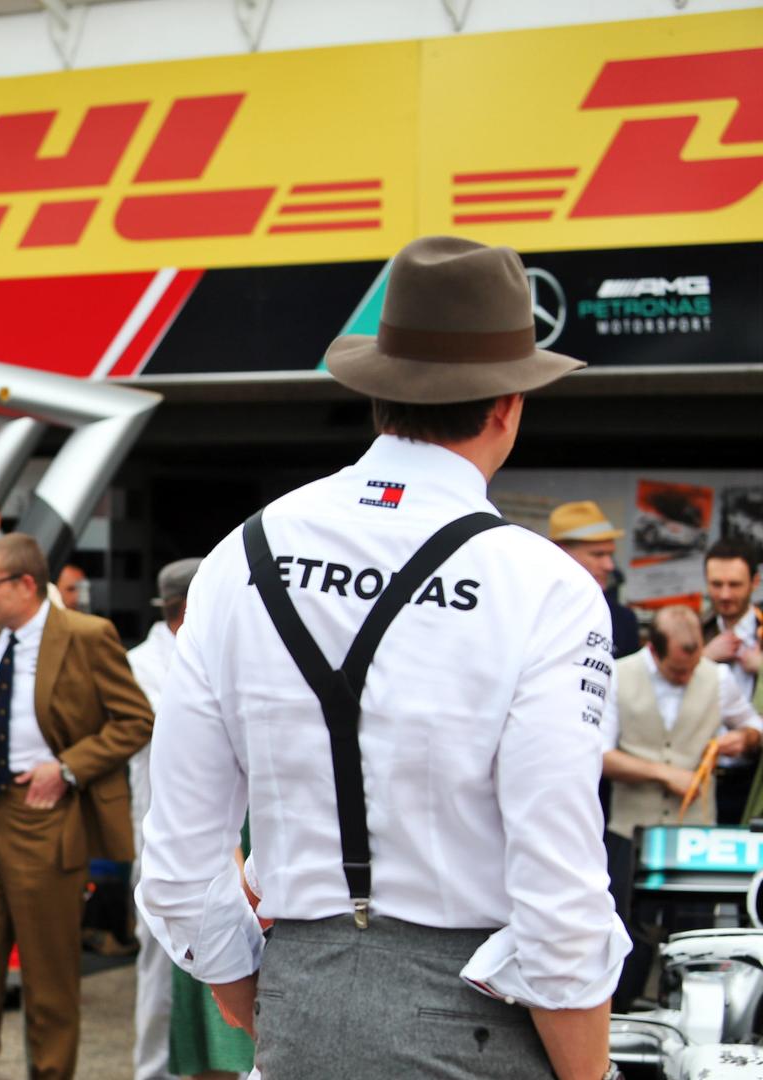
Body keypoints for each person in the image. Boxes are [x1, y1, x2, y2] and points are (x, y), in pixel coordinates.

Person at [137, 236, 628, 1079]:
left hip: (298, 1004)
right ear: (509, 404)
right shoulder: (544, 585)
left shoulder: (238, 559)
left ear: (379, 395)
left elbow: (181, 862)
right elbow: (560, 889)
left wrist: (272, 1004)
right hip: (481, 1022)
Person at [0, 533, 152, 1080]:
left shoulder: (86, 635)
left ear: (25, 585)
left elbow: (135, 719)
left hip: (43, 818)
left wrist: (65, 769)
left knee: (49, 976)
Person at [127, 557, 253, 1080]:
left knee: (230, 951)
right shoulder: (141, 663)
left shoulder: (221, 653)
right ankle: (154, 1072)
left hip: (225, 825)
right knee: (164, 967)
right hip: (163, 826)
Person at [602, 606, 762, 834]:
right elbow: (600, 753)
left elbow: (755, 726)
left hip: (697, 833)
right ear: (653, 651)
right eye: (677, 671)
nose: (687, 677)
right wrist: (663, 774)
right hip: (630, 831)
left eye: (693, 667)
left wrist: (745, 738)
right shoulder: (617, 675)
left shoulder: (718, 677)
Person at [702, 540, 763, 823]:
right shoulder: (692, 632)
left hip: (757, 776)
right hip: (703, 775)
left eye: (735, 585)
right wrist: (703, 659)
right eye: (716, 584)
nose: (724, 594)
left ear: (755, 582)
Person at [548, 500, 641, 660]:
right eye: (598, 555)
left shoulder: (623, 620)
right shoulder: (531, 610)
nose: (609, 566)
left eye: (610, 555)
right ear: (560, 552)